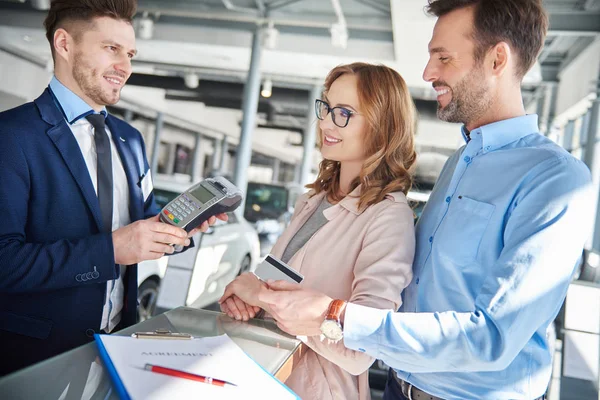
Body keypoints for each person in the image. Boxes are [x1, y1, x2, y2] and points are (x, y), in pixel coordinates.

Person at [224, 1, 594, 400]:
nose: (427, 73)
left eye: (444, 58)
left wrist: (333, 316)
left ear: (497, 59)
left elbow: (492, 337)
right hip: (399, 388)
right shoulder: (462, 161)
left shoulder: (555, 178)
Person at [0, 0, 223, 376]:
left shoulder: (131, 140)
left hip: (119, 347)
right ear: (64, 44)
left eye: (130, 53)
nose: (126, 67)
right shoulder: (12, 136)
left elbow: (139, 224)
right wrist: (112, 249)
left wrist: (172, 231)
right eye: (111, 49)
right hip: (35, 358)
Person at [219, 62, 418, 400]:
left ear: (383, 127)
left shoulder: (388, 217)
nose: (325, 122)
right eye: (326, 107)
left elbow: (362, 348)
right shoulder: (313, 200)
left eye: (344, 113)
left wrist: (258, 294)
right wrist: (245, 297)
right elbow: (272, 277)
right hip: (265, 372)